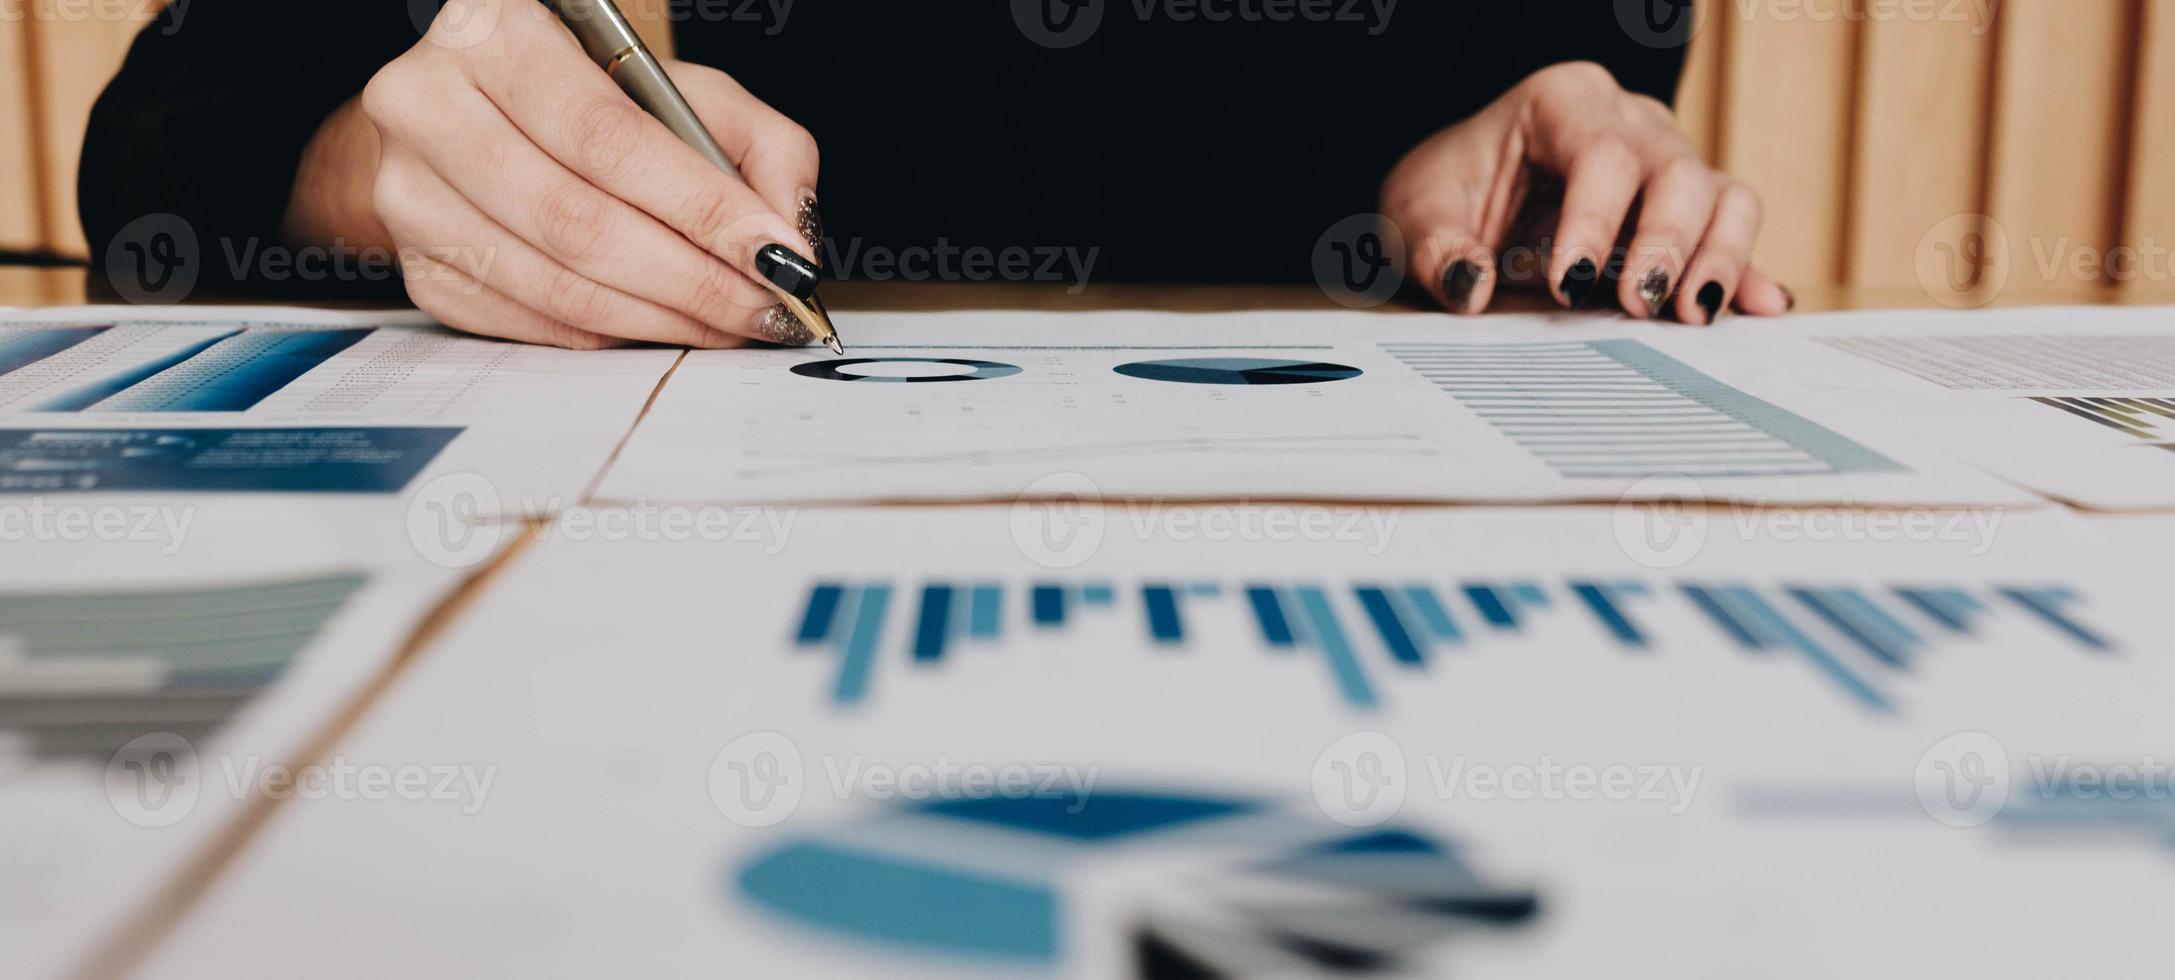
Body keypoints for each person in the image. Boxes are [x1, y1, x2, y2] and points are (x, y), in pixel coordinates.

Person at [80, 0, 1789, 348]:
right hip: (751, 488)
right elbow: (181, 124)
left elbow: (1567, 63)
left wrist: (1543, 130)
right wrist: (405, 158)